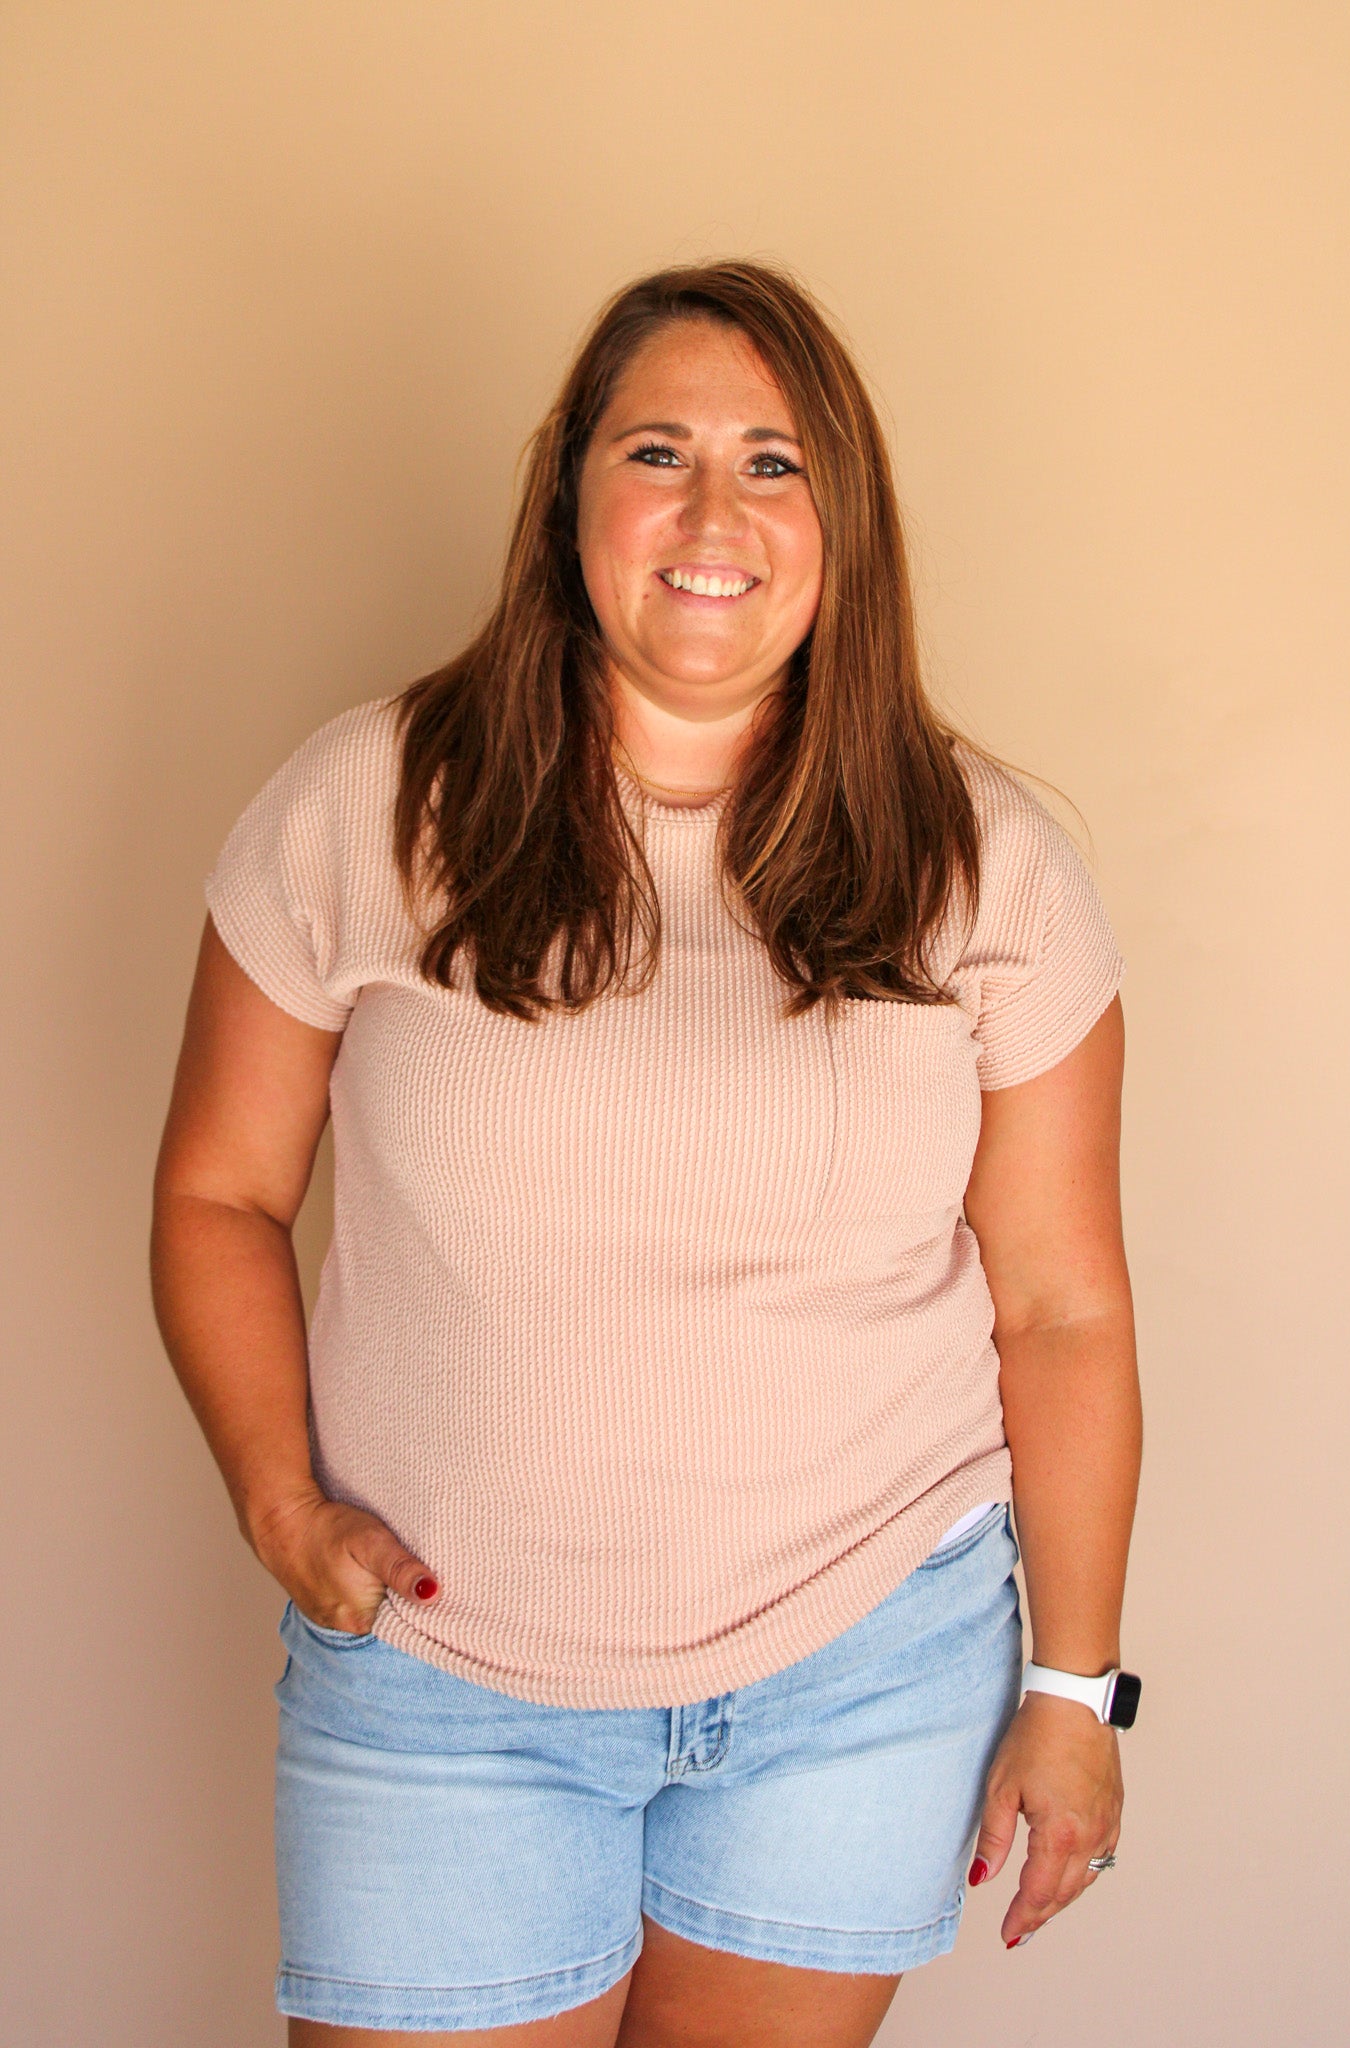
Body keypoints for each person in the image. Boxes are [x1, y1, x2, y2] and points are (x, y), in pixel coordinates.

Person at [151, 259, 1142, 2048]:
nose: (710, 515)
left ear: (844, 525)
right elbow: (221, 1190)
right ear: (567, 502)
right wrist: (278, 1501)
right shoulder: (367, 804)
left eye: (773, 463)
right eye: (655, 452)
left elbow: (1061, 1306)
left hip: (862, 1673)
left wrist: (1074, 1690)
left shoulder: (985, 863)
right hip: (447, 1680)